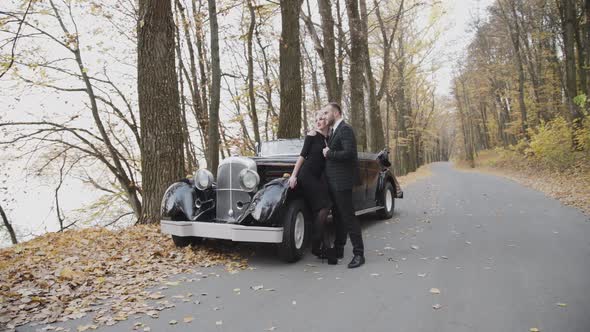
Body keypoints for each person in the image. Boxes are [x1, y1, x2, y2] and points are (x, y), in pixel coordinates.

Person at [288, 111, 336, 264]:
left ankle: (319, 245)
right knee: (324, 206)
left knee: (323, 208)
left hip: (317, 177)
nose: (318, 121)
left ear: (327, 121)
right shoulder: (312, 135)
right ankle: (318, 245)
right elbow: (302, 156)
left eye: (321, 119)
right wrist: (293, 175)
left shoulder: (327, 138)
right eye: (316, 119)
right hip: (306, 175)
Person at [322, 102, 365, 268]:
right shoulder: (333, 131)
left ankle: (359, 254)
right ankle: (339, 249)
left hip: (342, 182)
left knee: (348, 217)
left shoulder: (345, 129)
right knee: (339, 217)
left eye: (327, 113)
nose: (325, 116)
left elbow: (349, 153)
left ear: (336, 113)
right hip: (333, 181)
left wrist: (329, 153)